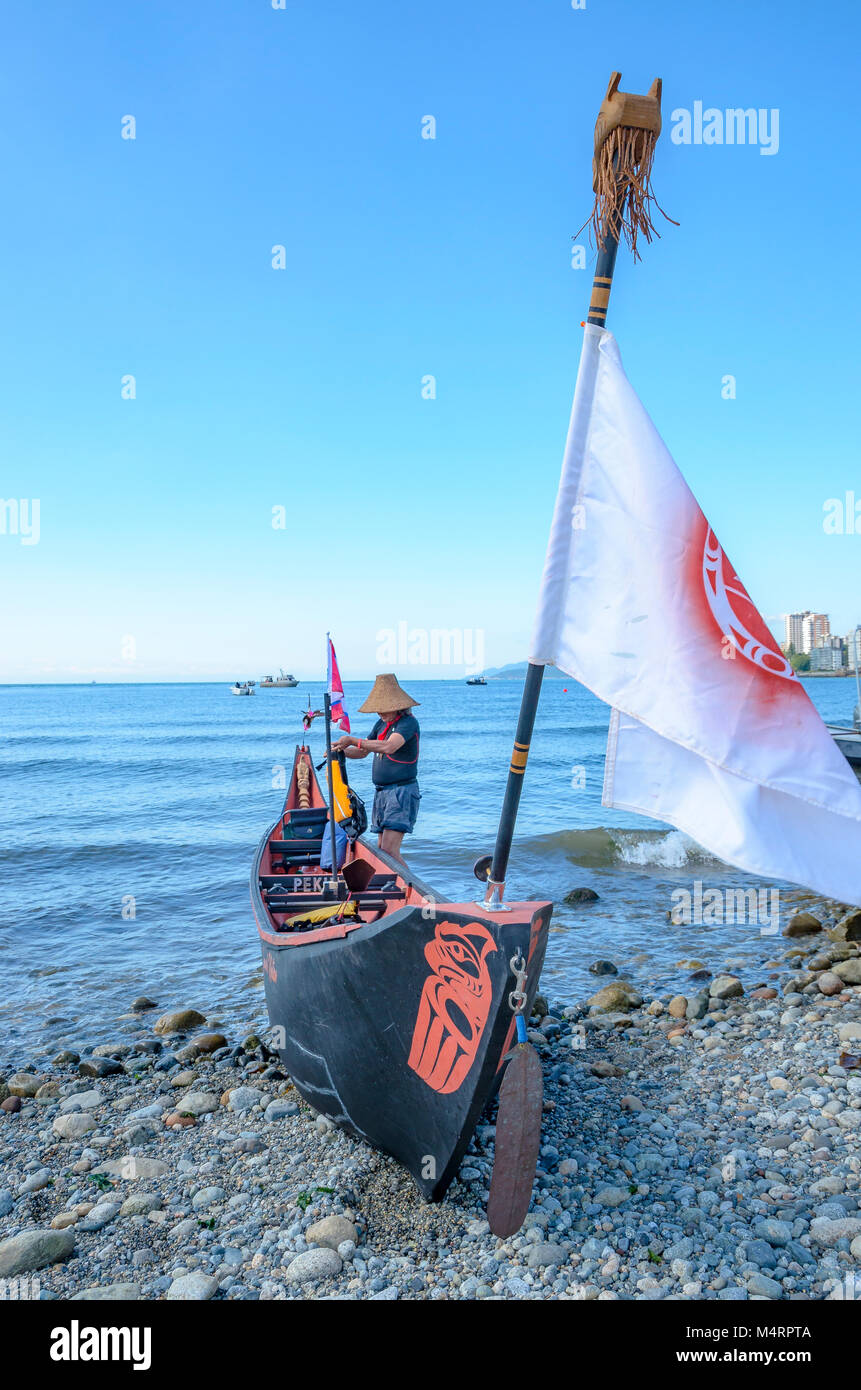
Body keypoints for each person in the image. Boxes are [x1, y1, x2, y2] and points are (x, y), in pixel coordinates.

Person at [332, 673, 420, 867]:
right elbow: (362, 752)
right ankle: (393, 887)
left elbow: (389, 746)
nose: (380, 713)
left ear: (396, 706)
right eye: (378, 709)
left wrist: (353, 740)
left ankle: (412, 888)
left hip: (401, 792)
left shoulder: (408, 723)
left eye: (384, 709)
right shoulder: (381, 724)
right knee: (382, 850)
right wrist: (341, 751)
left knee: (389, 849)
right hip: (382, 793)